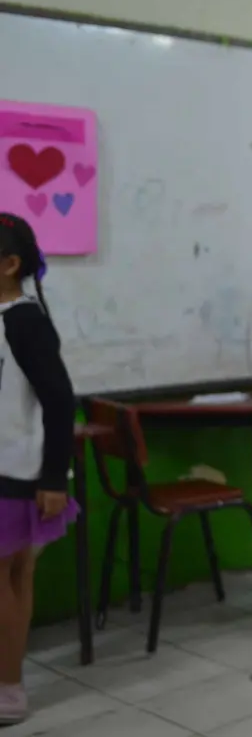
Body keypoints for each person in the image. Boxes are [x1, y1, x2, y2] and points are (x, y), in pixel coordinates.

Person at [0, 214, 78, 726]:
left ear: (8, 265)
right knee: (12, 575)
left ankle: (8, 689)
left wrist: (52, 478)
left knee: (10, 574)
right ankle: (7, 681)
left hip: (17, 471)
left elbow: (58, 399)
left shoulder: (24, 320)